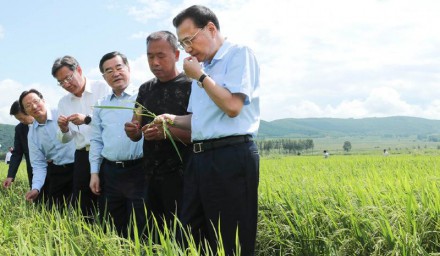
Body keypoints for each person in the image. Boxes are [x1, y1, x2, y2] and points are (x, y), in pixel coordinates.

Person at [155, 5, 261, 255]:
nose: (188, 48)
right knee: (191, 235)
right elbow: (198, 122)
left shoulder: (238, 54)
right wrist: (169, 119)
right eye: (183, 44)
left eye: (190, 40)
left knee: (231, 238)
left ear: (211, 28)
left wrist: (201, 77)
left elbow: (233, 106)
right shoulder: (202, 69)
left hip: (231, 155)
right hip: (199, 158)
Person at [124, 31, 192, 235]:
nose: (155, 62)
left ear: (176, 55)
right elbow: (136, 129)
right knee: (154, 234)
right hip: (150, 176)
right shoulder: (145, 89)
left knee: (182, 233)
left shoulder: (191, 85)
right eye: (150, 56)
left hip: (183, 175)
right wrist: (133, 130)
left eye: (161, 56)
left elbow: (201, 132)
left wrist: (167, 132)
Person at [89, 51, 145, 238]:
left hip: (139, 170)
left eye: (119, 67)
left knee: (141, 227)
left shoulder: (143, 95)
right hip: (111, 173)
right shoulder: (101, 105)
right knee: (113, 227)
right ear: (104, 77)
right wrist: (94, 173)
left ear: (128, 68)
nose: (115, 73)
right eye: (108, 71)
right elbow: (96, 140)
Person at [52, 55, 110, 218]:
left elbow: (111, 120)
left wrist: (86, 119)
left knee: (108, 197)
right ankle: (87, 237)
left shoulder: (102, 88)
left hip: (106, 152)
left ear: (78, 70)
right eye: (61, 82)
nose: (66, 84)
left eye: (68, 78)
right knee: (83, 202)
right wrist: (63, 129)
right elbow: (66, 138)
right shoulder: (64, 102)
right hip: (83, 155)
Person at [19, 89, 76, 209]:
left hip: (79, 166)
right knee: (54, 210)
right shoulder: (32, 134)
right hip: (58, 171)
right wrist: (36, 188)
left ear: (43, 100)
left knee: (83, 207)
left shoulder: (61, 113)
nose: (34, 106)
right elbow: (38, 164)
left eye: (36, 101)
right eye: (28, 106)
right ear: (25, 111)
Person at [3, 101, 34, 190]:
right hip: (32, 170)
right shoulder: (20, 129)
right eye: (19, 120)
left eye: (22, 118)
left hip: (52, 168)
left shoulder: (46, 123)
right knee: (37, 199)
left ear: (28, 111)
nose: (21, 121)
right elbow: (17, 153)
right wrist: (10, 176)